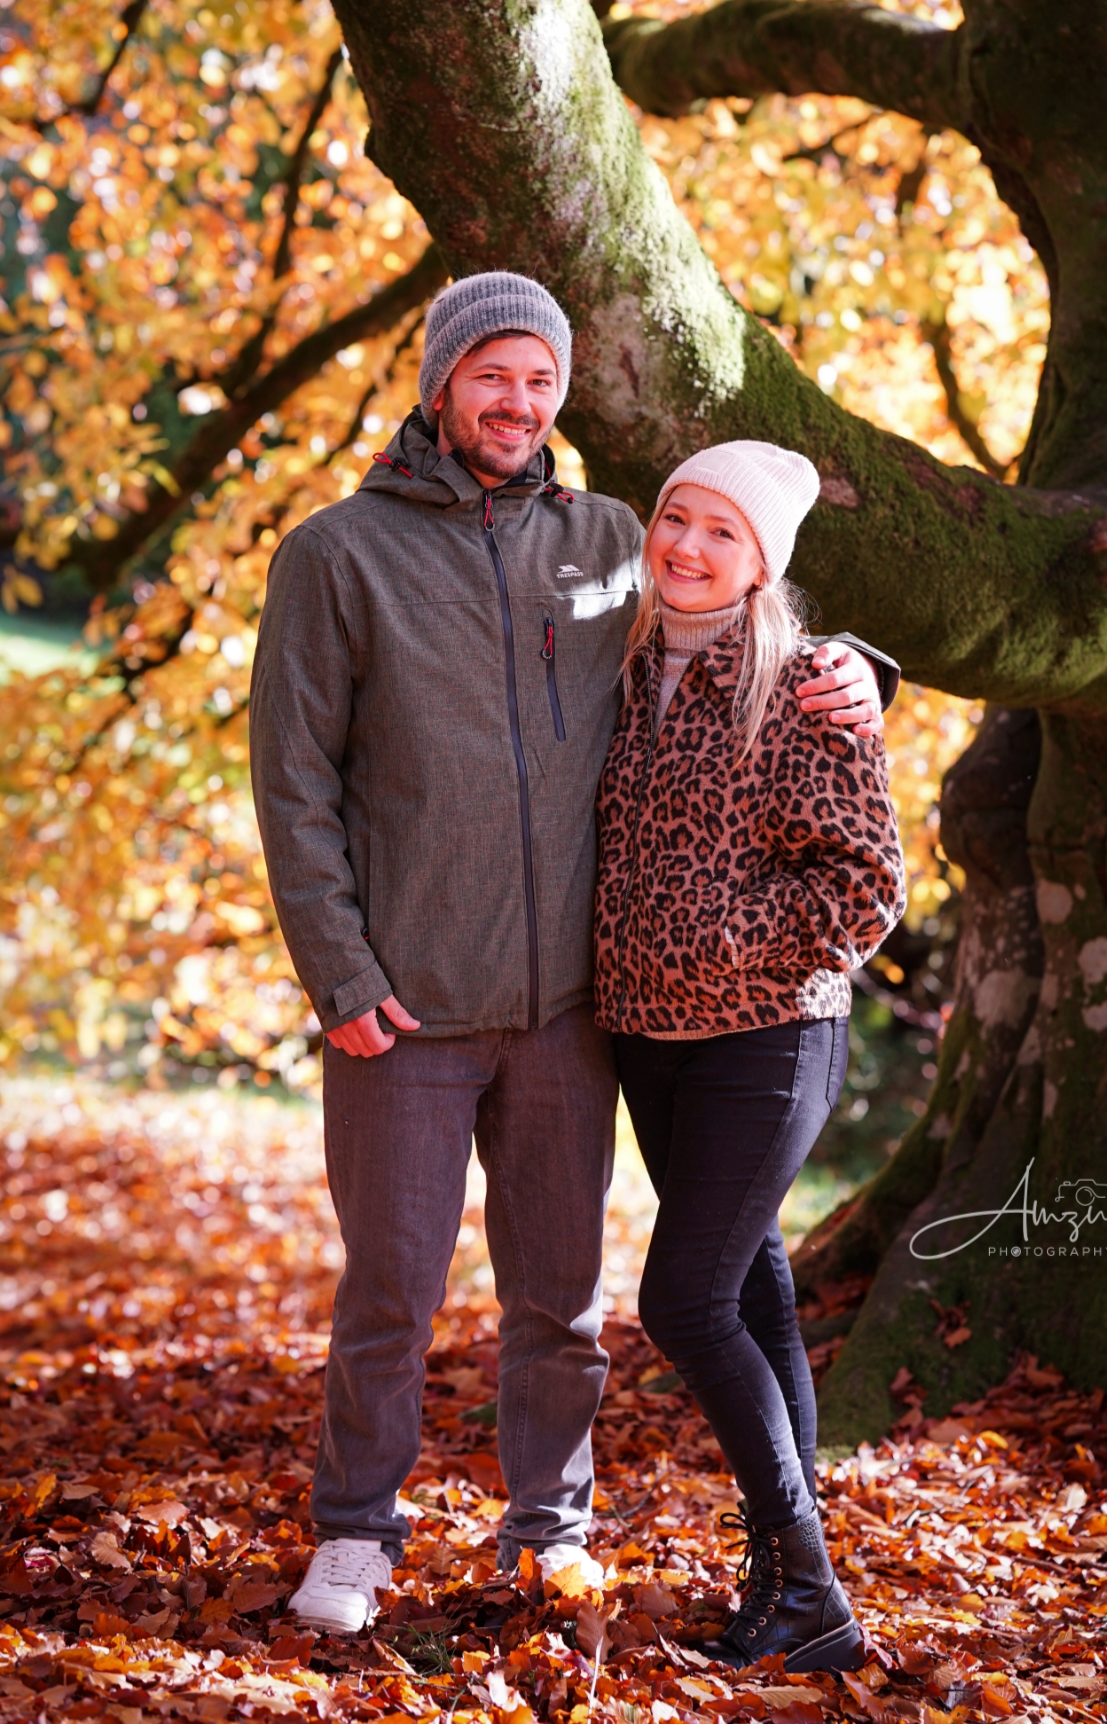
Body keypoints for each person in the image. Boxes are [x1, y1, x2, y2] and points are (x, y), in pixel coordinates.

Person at [249, 271, 896, 1637]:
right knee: (390, 1295)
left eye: (540, 380)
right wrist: (342, 975)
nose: (519, 402)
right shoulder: (335, 556)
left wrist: (858, 661)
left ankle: (548, 1530)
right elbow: (293, 785)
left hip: (571, 1010)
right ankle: (357, 1538)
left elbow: (735, 603)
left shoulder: (603, 537)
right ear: (440, 384)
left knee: (563, 1302)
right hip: (404, 1007)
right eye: (493, 374)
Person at [594, 441, 906, 1674]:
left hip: (767, 1039)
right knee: (758, 1292)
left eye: (723, 531)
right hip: (648, 1041)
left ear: (761, 559)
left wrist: (732, 949)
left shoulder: (803, 683)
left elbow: (869, 881)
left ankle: (814, 1585)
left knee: (682, 1299)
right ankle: (785, 1577)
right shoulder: (625, 668)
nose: (688, 546)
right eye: (677, 517)